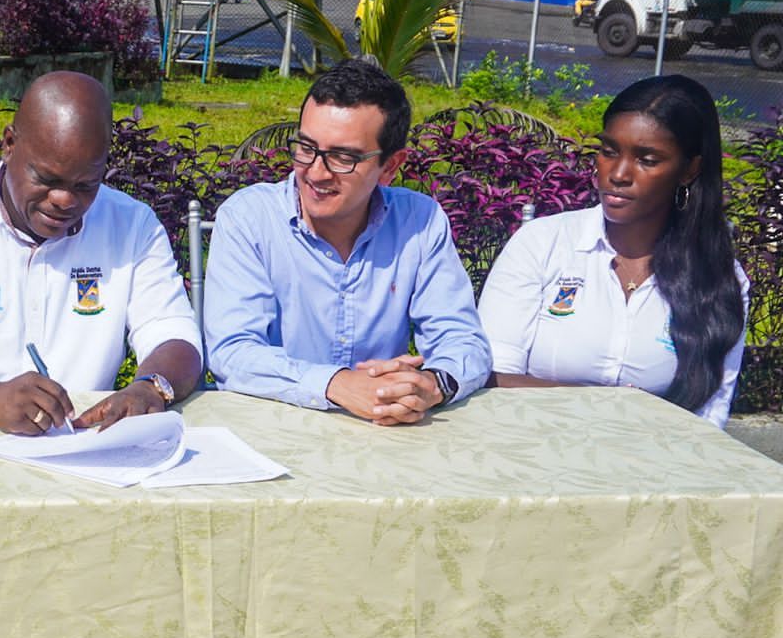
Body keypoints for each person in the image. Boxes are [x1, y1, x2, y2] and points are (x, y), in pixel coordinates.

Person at [0, 71, 201, 435]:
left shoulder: (132, 225)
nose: (64, 199)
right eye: (47, 179)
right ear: (9, 144)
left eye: (85, 185)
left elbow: (175, 335)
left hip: (86, 444)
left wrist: (151, 386)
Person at [203, 58, 491, 424]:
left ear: (390, 167)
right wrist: (337, 384)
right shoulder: (249, 218)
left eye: (342, 158)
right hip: (270, 427)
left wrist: (430, 384)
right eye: (306, 148)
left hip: (383, 428)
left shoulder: (420, 222)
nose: (316, 172)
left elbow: (463, 340)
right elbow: (232, 353)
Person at [477, 74, 747, 427]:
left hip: (657, 458)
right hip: (530, 445)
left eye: (647, 159)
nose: (618, 174)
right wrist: (609, 405)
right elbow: (492, 379)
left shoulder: (719, 279)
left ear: (689, 170)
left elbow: (709, 417)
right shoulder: (542, 244)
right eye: (608, 151)